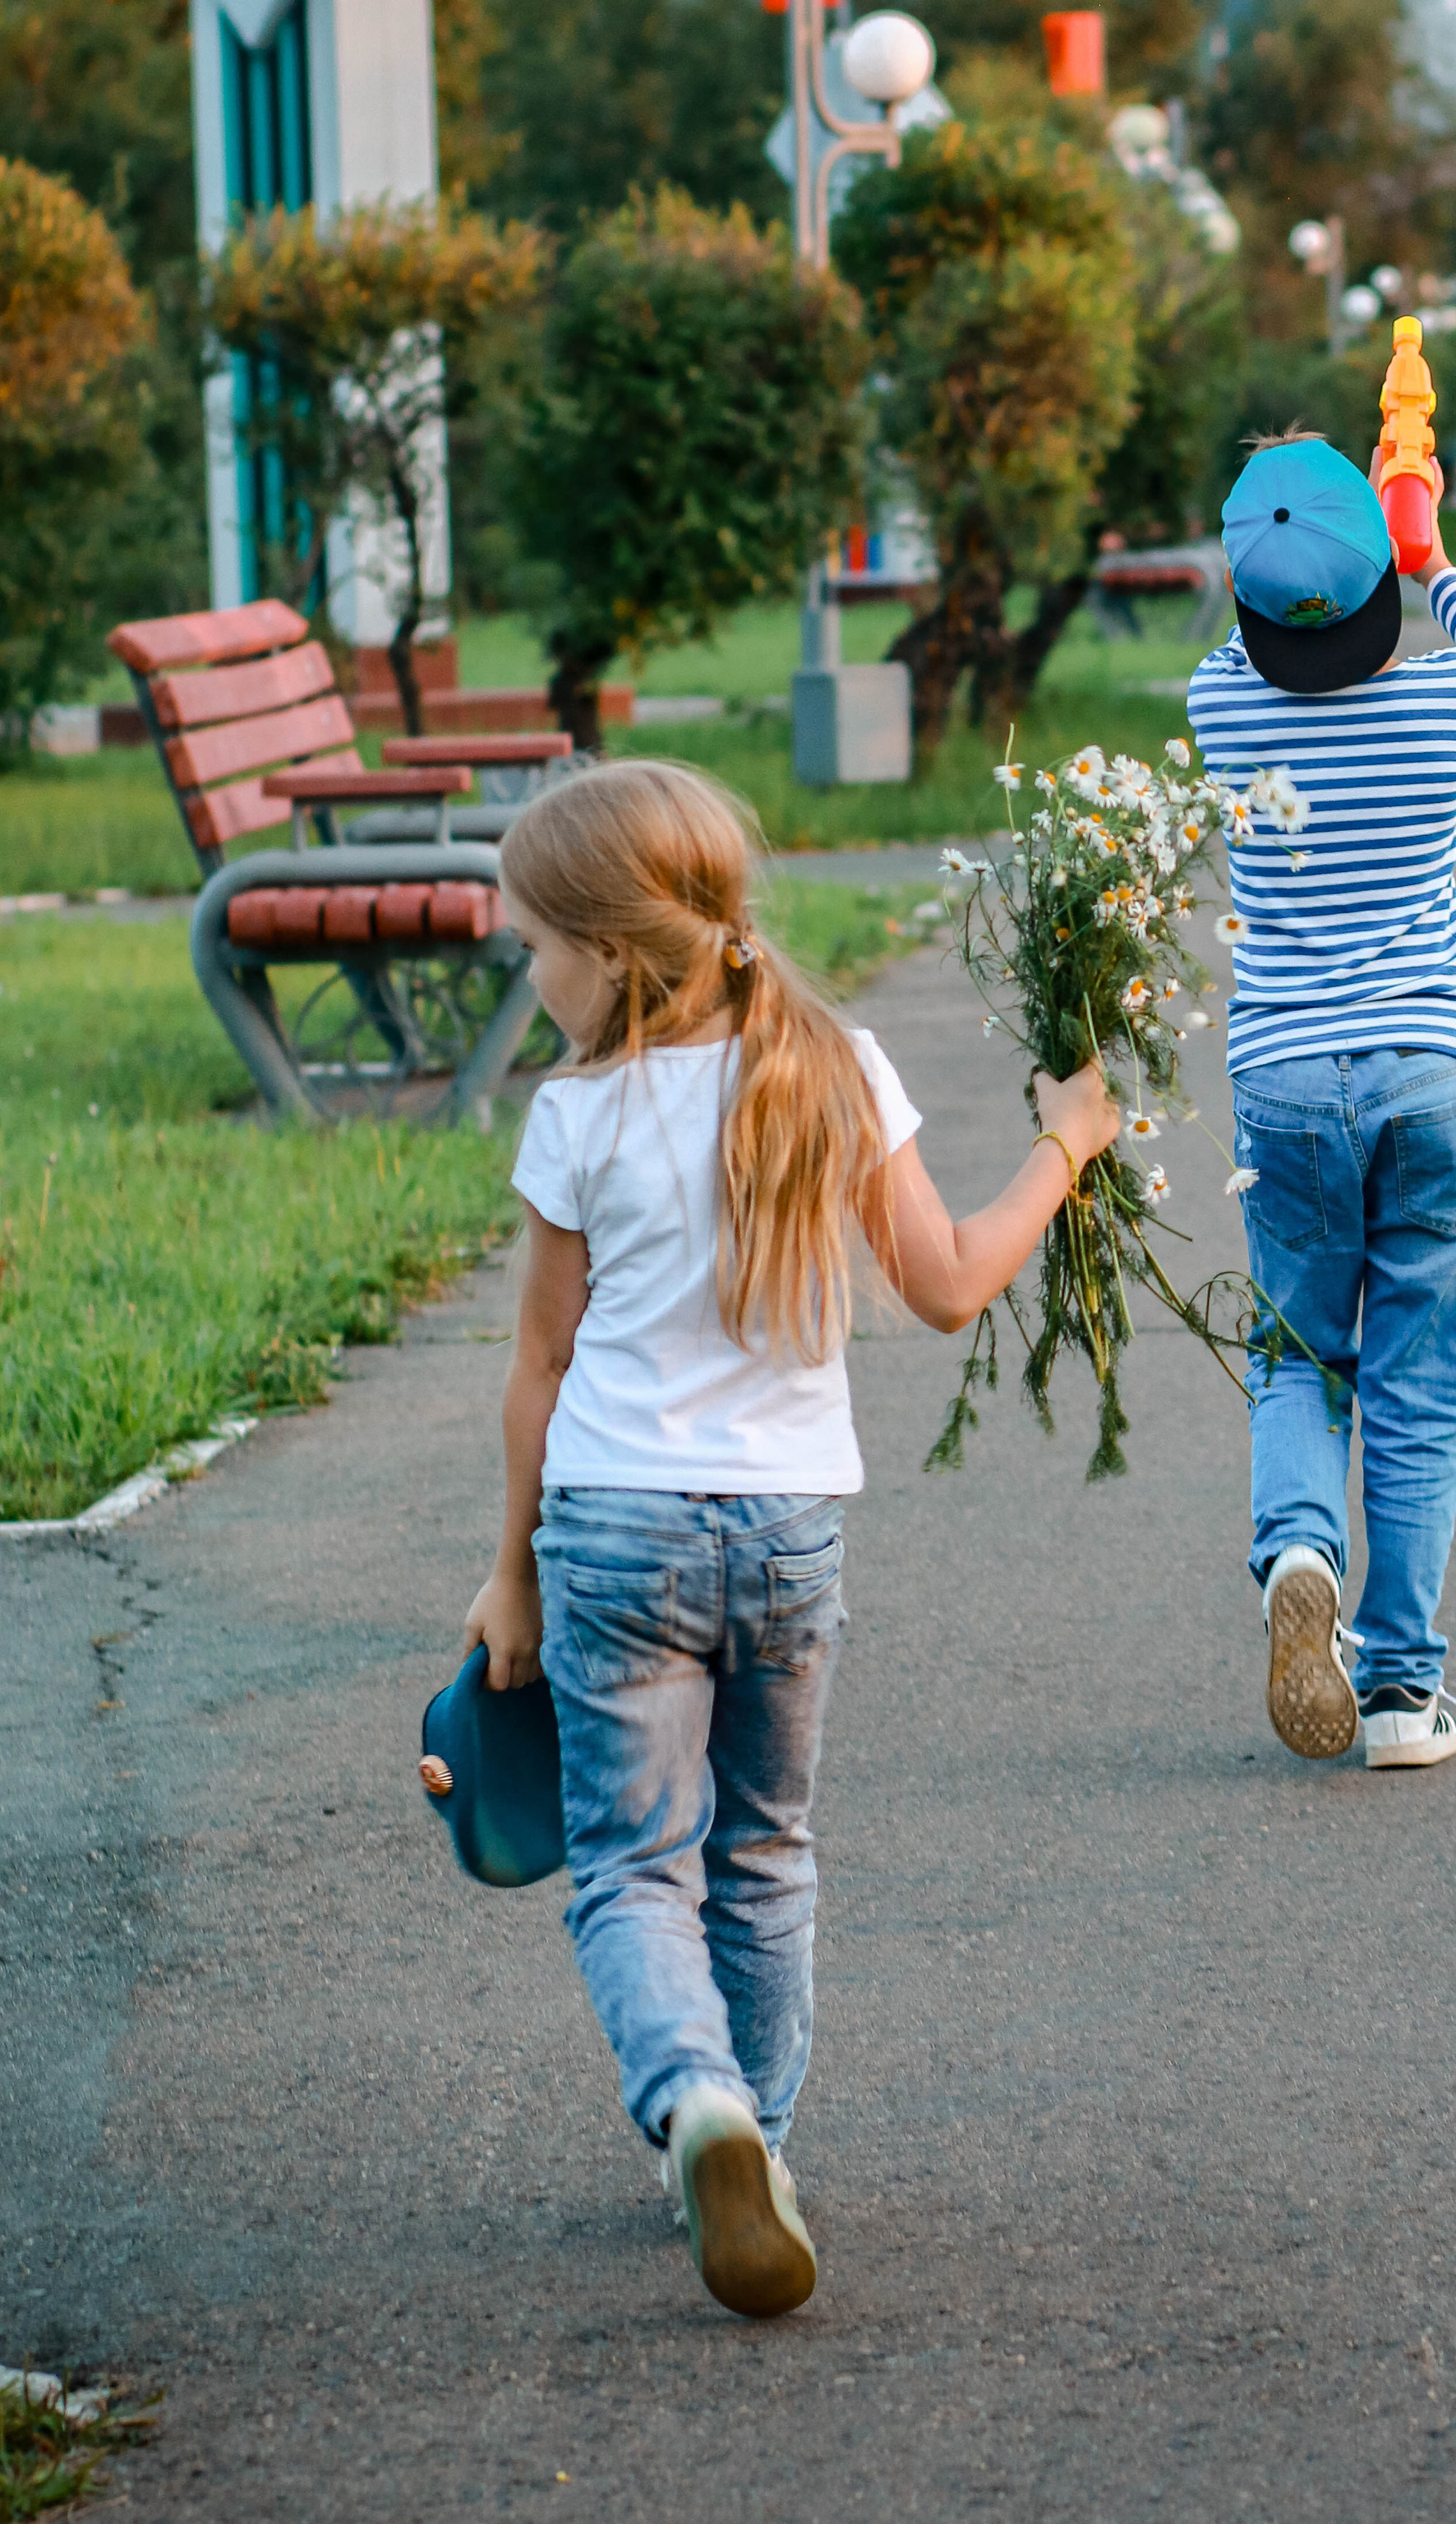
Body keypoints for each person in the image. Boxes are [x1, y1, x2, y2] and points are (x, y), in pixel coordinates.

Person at [463, 759, 1121, 2320]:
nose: (524, 974)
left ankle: (697, 2103)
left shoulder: (577, 1113)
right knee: (762, 1856)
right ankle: (757, 2136)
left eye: (532, 946)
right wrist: (1068, 1145)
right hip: (785, 1535)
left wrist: (511, 1573)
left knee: (633, 1869)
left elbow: (540, 1369)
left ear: (609, 950)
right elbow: (949, 1283)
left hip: (614, 1529)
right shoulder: (836, 1067)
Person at [1186, 431, 1456, 1774]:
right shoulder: (1447, 708)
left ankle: (1298, 1551)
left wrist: (1301, 557)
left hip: (1283, 1080)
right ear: (1384, 588)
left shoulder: (1220, 703)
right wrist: (1428, 551)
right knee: (1420, 1384)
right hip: (1429, 1074)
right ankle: (1402, 1689)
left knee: (1297, 1352)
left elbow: (1261, 630)